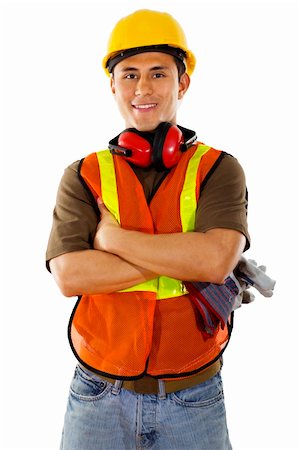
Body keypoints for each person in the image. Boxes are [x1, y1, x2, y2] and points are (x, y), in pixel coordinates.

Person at [46, 9, 250, 450]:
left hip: (194, 395)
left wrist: (114, 241)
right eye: (129, 74)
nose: (143, 88)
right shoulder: (84, 174)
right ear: (113, 85)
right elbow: (70, 276)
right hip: (98, 393)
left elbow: (214, 261)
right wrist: (184, 258)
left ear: (183, 82)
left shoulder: (218, 169)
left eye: (158, 73)